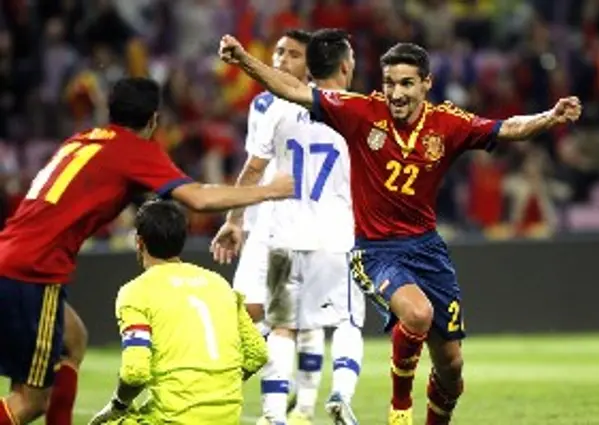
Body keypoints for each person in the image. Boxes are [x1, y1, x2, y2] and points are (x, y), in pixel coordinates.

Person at [218, 33, 582, 425]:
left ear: (426, 83)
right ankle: (399, 409)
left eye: (407, 83)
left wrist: (549, 117)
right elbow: (293, 89)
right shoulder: (360, 112)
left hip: (427, 249)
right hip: (374, 251)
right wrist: (243, 61)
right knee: (415, 315)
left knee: (452, 369)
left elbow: (506, 128)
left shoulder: (447, 124)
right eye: (389, 83)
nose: (396, 93)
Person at [0, 77, 293, 425]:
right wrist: (269, 190)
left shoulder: (83, 140)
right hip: (32, 270)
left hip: (10, 256)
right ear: (154, 120)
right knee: (31, 402)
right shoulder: (133, 150)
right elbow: (198, 199)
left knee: (74, 340)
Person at [214, 29, 365, 425]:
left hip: (283, 235)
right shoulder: (360, 110)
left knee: (281, 328)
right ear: (346, 67)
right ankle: (339, 395)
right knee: (345, 320)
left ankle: (277, 414)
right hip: (335, 235)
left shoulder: (278, 109)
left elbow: (252, 169)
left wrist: (233, 218)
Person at [87, 200, 268, 425]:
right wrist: (214, 389)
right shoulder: (218, 283)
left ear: (139, 241)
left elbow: (135, 372)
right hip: (227, 418)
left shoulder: (135, 292)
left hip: (172, 420)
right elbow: (258, 353)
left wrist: (118, 405)